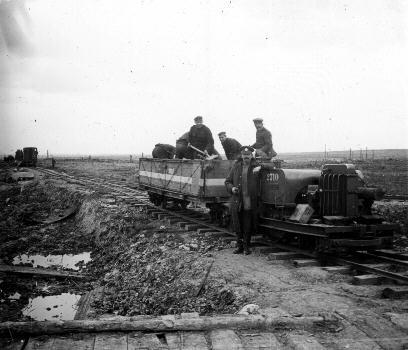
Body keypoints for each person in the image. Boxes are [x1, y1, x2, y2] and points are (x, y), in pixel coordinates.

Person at [225, 146, 259, 255]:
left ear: (251, 156)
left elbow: (269, 166)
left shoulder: (256, 166)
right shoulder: (236, 167)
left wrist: (261, 167)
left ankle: (246, 247)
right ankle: (239, 246)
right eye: (244, 155)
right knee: (237, 225)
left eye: (248, 155)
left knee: (247, 225)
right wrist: (232, 188)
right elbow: (227, 181)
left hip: (249, 202)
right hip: (237, 201)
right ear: (241, 156)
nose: (246, 157)